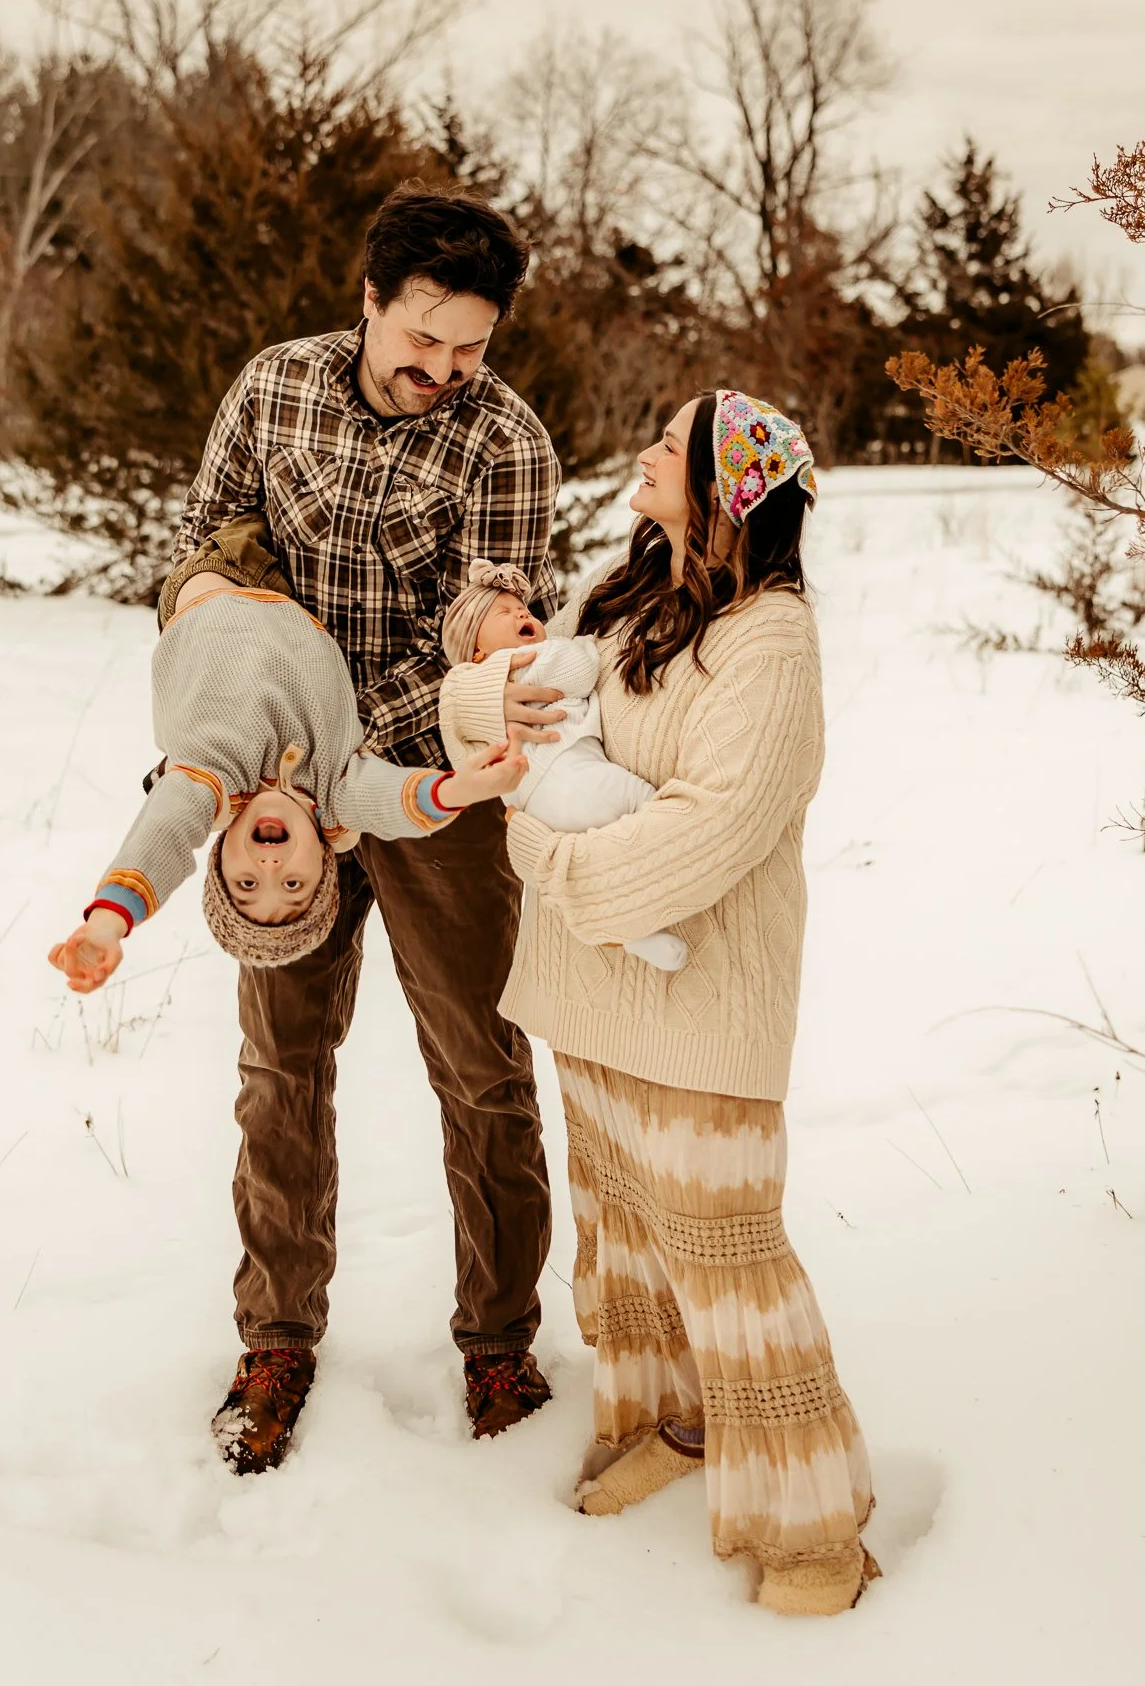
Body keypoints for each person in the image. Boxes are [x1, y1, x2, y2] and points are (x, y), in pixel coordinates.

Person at [445, 389, 877, 1616]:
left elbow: (716, 828)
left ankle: (814, 1525)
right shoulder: (622, 593)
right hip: (589, 998)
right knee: (626, 1239)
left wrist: (546, 852)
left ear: (727, 487)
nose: (644, 450)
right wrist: (498, 712)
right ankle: (672, 1427)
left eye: (672, 443)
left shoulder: (769, 641)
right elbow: (482, 696)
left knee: (731, 1261)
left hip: (700, 1011)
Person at [162, 183, 566, 1473]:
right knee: (282, 1066)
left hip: (431, 789)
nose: (445, 371)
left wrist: (362, 737)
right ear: (371, 300)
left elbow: (477, 625)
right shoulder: (274, 388)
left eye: (472, 348)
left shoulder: (506, 444)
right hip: (277, 799)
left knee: (484, 1070)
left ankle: (499, 1340)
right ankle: (276, 1335)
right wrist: (210, 607)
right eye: (424, 338)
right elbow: (205, 542)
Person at [46, 567, 528, 996]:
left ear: (219, 856)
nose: (271, 863)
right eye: (293, 883)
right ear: (324, 861)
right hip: (289, 587)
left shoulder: (211, 784)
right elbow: (390, 802)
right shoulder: (335, 792)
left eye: (247, 882)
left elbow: (164, 834)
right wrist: (460, 788)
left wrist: (109, 925)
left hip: (214, 573)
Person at [437, 557, 688, 972]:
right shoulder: (526, 662)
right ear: (478, 652)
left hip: (538, 807)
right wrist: (583, 645)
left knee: (597, 870)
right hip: (570, 776)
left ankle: (631, 930)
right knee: (648, 805)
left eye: (523, 609)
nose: (522, 613)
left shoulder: (486, 690)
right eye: (504, 613)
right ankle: (661, 894)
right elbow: (580, 670)